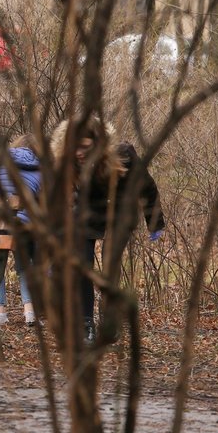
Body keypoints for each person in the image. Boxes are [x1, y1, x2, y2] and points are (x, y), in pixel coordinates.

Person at [50, 116, 165, 345]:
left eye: (85, 146)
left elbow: (147, 186)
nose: (79, 152)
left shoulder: (123, 154)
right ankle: (85, 324)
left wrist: (155, 222)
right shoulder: (67, 162)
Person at [0, 134, 42, 327]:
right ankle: (30, 312)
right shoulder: (41, 167)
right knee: (25, 264)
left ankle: (0, 314)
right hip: (22, 224)